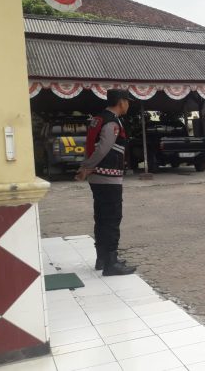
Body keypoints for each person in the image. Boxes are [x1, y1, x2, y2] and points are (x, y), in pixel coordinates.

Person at [76, 89, 137, 277]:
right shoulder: (112, 122)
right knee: (112, 218)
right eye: (128, 101)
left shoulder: (98, 118)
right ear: (121, 102)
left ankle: (102, 259)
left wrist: (87, 167)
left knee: (101, 217)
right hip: (108, 177)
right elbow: (103, 149)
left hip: (98, 177)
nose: (128, 105)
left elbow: (90, 145)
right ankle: (111, 264)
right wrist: (86, 167)